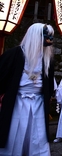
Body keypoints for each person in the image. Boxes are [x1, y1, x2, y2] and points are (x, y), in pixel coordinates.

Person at [0, 23, 55, 155]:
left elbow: (49, 85)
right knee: (14, 136)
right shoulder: (13, 55)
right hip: (17, 102)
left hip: (39, 103)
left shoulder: (47, 60)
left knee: (38, 137)